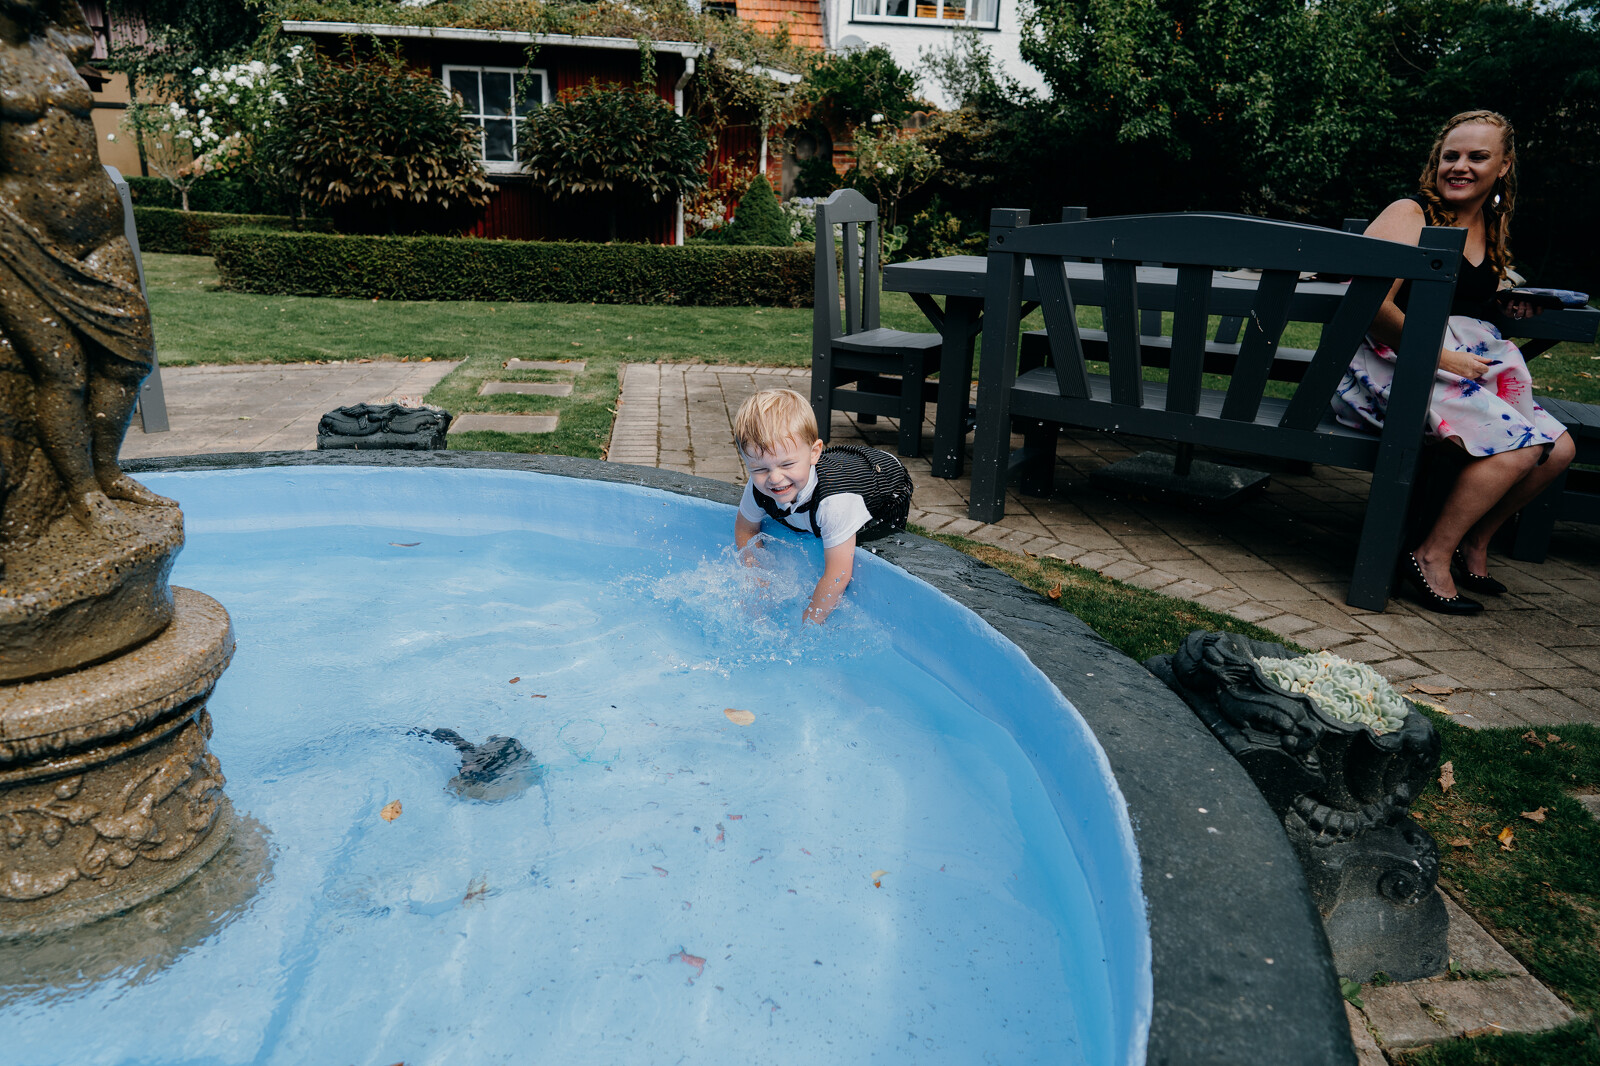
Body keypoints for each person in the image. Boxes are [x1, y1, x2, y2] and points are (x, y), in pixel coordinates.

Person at [1331, 110, 1574, 615]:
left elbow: (1462, 294)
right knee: (1518, 449)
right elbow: (1367, 306)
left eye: (1477, 157)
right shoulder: (1410, 213)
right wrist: (1441, 357)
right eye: (1451, 156)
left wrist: (1506, 300)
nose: (1460, 166)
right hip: (1392, 365)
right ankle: (1429, 555)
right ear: (1436, 162)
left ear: (1503, 166)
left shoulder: (1489, 224)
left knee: (1559, 449)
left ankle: (1473, 540)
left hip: (1449, 364)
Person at [0, 0, 172, 543]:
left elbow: (75, 21)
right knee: (63, 372)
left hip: (99, 227)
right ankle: (81, 492)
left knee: (129, 358)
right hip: (23, 237)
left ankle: (108, 471)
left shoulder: (56, 40)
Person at [732, 388, 913, 624]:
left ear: (814, 453)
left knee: (874, 547)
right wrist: (758, 575)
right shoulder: (759, 486)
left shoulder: (834, 503)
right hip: (841, 462)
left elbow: (838, 576)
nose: (774, 478)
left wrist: (808, 623)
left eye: (787, 464)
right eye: (760, 469)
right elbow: (745, 529)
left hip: (886, 483)